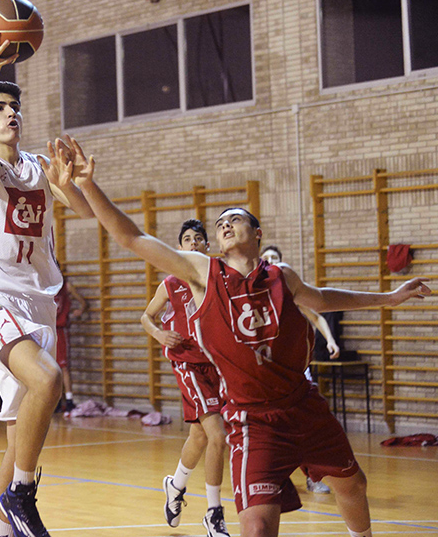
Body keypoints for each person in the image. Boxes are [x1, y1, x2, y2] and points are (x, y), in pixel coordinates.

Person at [58, 138, 430, 537]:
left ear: (257, 233)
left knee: (353, 485)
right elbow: (132, 238)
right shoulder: (203, 273)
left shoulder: (281, 276)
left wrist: (389, 298)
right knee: (256, 527)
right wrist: (88, 186)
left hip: (303, 406)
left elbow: (322, 299)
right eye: (220, 224)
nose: (225, 225)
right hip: (253, 421)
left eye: (234, 219)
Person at [0, 28, 94, 537]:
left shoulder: (39, 168)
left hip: (38, 305)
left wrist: (78, 182)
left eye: (15, 107)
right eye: (0, 107)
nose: (11, 113)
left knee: (18, 443)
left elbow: (85, 211)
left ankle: (6, 528)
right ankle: (22, 496)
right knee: (49, 381)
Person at [141, 219, 230, 537]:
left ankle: (175, 485)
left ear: (207, 245)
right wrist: (159, 334)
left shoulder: (219, 278)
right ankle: (214, 513)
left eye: (198, 239)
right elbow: (146, 316)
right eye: (187, 239)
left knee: (200, 437)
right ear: (179, 248)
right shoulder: (171, 283)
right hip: (187, 364)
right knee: (218, 435)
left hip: (215, 364)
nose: (193, 243)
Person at [260, 244, 340, 495]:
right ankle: (274, 479)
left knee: (305, 425)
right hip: (268, 373)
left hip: (295, 369)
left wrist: (330, 340)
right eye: (266, 258)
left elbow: (317, 317)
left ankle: (313, 476)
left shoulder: (289, 293)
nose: (271, 261)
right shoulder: (253, 296)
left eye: (275, 257)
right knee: (273, 429)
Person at [54, 275, 88, 412]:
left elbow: (83, 302)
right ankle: (56, 400)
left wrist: (80, 310)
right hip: (47, 329)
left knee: (63, 366)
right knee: (51, 367)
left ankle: (69, 400)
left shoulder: (65, 286)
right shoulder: (42, 285)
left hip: (60, 330)